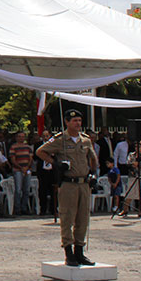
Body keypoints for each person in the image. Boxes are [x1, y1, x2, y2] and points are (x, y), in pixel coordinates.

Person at [36, 109, 98, 266]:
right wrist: (55, 163)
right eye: (74, 121)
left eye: (79, 120)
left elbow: (92, 158)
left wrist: (93, 173)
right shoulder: (60, 140)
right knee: (68, 217)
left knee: (83, 218)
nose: (77, 123)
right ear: (66, 122)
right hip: (69, 183)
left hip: (83, 183)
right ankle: (68, 252)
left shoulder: (85, 140)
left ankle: (79, 251)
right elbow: (40, 151)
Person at [8, 132, 34, 215]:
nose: (21, 138)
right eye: (19, 136)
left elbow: (30, 158)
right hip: (17, 170)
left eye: (23, 136)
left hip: (27, 169)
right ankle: (17, 208)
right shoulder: (13, 147)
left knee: (26, 190)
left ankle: (24, 208)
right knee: (18, 190)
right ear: (16, 138)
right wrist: (21, 167)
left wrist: (27, 167)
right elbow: (13, 159)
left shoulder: (28, 147)